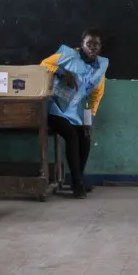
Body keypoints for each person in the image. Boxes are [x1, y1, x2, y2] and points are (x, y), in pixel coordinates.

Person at [40, 29, 108, 199]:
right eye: (88, 44)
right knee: (71, 136)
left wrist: (89, 119)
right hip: (53, 107)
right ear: (82, 45)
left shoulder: (100, 67)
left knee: (84, 137)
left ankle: (78, 177)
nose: (92, 48)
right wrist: (64, 73)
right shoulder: (68, 55)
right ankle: (77, 184)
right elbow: (43, 64)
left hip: (72, 111)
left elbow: (96, 95)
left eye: (96, 45)